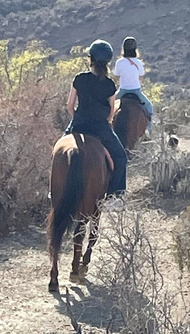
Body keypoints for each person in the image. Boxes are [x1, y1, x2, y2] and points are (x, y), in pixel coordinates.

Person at [65, 39, 127, 209]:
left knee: (57, 151)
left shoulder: (79, 79)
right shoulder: (109, 85)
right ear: (108, 62)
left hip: (79, 125)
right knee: (121, 158)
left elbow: (70, 106)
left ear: (90, 58)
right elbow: (111, 112)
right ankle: (114, 196)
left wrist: (77, 117)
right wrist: (106, 122)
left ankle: (53, 190)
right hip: (100, 129)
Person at [112, 36, 153, 132]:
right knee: (149, 107)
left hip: (122, 90)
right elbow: (141, 77)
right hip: (136, 91)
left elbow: (116, 77)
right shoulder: (138, 63)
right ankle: (148, 130)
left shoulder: (119, 62)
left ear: (123, 49)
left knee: (107, 106)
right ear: (135, 49)